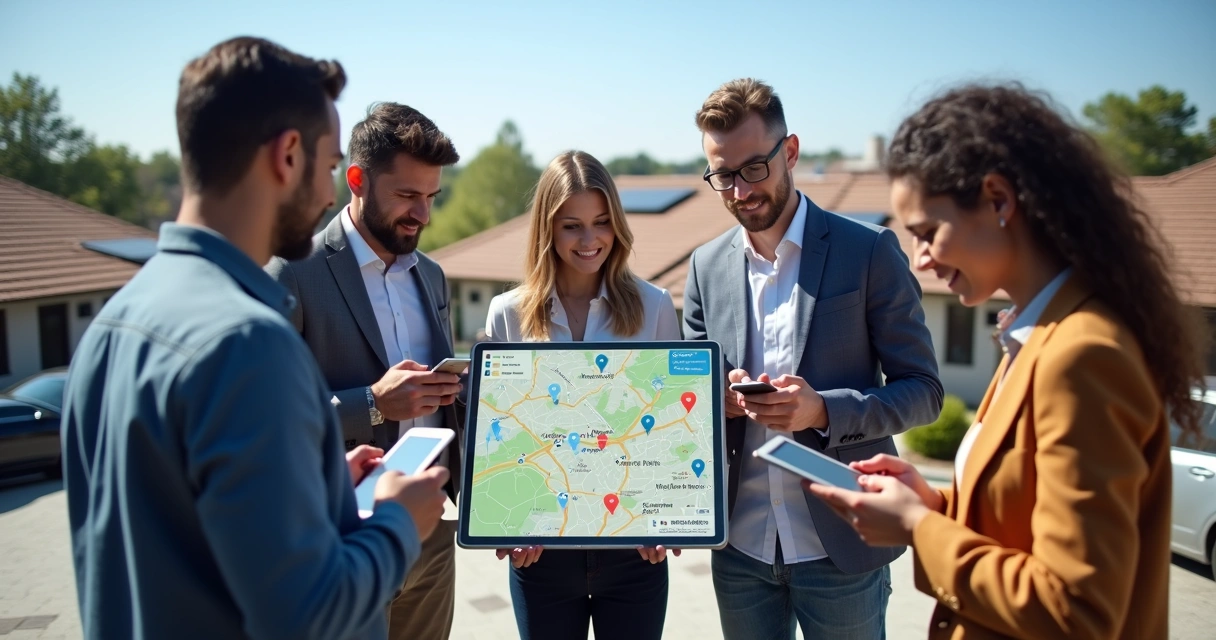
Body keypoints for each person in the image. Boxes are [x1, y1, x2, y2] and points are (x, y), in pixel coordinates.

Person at [61, 37, 448, 640]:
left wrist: (316, 479)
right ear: (287, 156)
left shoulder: (109, 326)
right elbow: (306, 613)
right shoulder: (246, 342)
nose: (326, 196)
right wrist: (398, 520)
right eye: (325, 169)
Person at [807, 83, 1206, 639]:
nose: (919, 259)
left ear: (998, 200)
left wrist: (918, 527)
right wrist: (935, 503)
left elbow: (1077, 611)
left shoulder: (1082, 354)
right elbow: (1023, 522)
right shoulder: (1038, 333)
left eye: (927, 233)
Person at [682, 78, 943, 639]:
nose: (738, 192)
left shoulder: (869, 251)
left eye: (753, 169)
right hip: (739, 550)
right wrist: (716, 403)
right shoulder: (704, 267)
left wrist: (822, 410)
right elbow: (688, 403)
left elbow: (924, 391)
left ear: (791, 152)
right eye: (721, 176)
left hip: (843, 547)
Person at [266, 102, 464, 640]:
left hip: (432, 535)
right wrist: (373, 402)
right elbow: (268, 422)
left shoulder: (433, 275)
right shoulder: (293, 272)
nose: (422, 214)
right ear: (356, 179)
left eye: (431, 197)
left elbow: (445, 406)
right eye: (407, 196)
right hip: (339, 538)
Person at [484, 151, 683, 640]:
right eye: (572, 225)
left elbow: (672, 431)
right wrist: (507, 525)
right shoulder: (506, 314)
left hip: (633, 554)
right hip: (542, 557)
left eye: (601, 222)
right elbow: (497, 437)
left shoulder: (656, 307)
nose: (590, 239)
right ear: (547, 230)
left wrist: (670, 519)